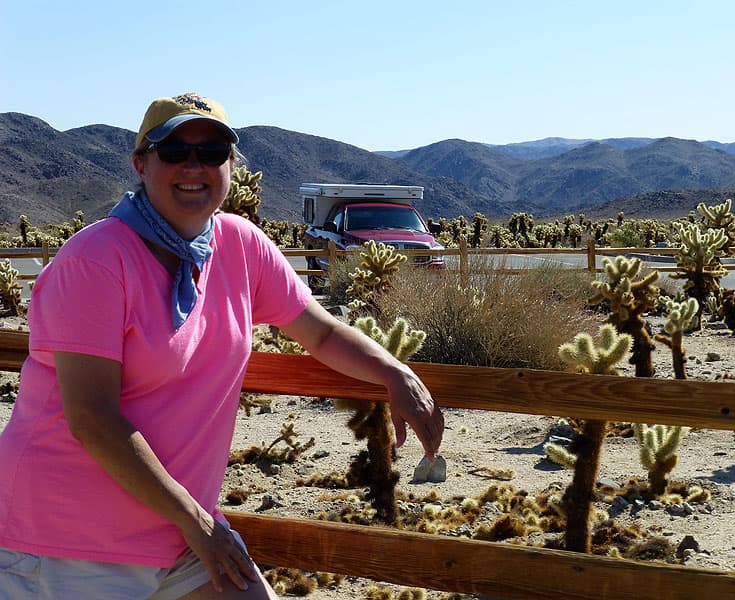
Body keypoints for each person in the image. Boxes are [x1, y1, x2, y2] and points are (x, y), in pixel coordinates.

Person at [0, 92, 445, 599]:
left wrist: (394, 372)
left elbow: (319, 331)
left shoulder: (240, 245)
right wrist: (197, 522)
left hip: (178, 533)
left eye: (212, 152)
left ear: (231, 165)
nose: (195, 165)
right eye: (174, 151)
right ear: (141, 164)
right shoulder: (96, 262)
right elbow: (93, 420)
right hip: (65, 542)